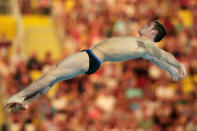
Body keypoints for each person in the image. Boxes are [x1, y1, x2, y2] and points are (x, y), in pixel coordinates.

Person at [4, 20, 187, 112]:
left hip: (91, 57)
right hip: (92, 59)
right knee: (53, 79)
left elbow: (164, 55)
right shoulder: (142, 47)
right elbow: (156, 60)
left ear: (153, 32)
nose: (144, 25)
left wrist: (178, 65)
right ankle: (26, 101)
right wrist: (169, 68)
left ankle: (20, 97)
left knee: (51, 74)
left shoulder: (148, 45)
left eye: (148, 25)